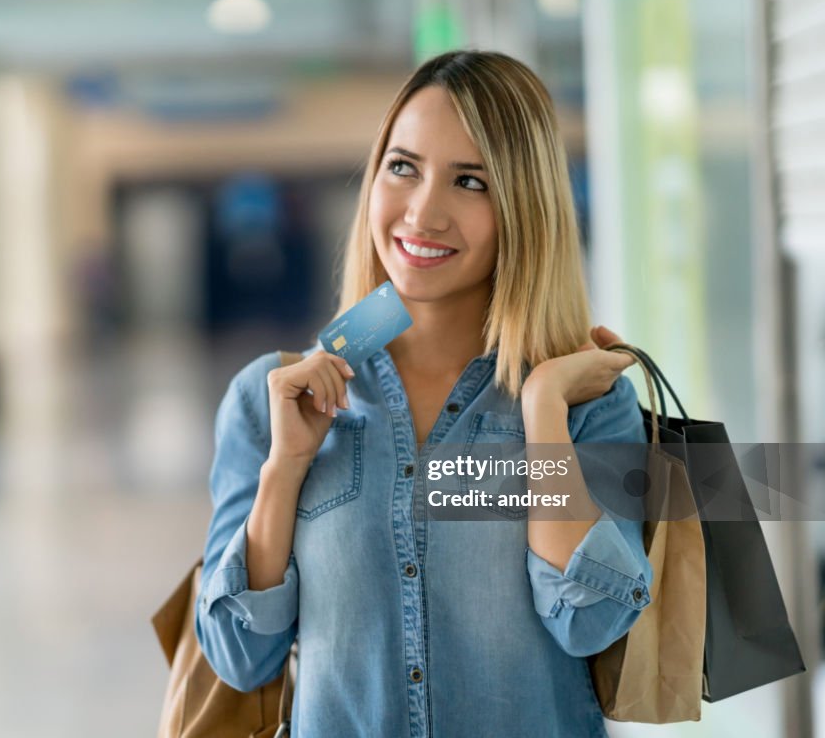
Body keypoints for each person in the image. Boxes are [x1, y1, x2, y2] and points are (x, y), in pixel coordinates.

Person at [195, 50, 651, 737]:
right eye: (402, 167)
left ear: (524, 208)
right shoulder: (270, 400)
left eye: (471, 181)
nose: (423, 212)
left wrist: (544, 413)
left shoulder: (587, 403)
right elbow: (238, 654)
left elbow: (590, 620)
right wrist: (284, 469)